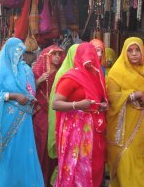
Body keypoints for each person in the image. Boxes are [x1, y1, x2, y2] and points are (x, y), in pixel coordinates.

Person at [0, 37, 44, 187]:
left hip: (24, 121)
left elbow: (31, 91)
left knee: (23, 153)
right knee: (6, 154)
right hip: (5, 120)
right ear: (8, 51)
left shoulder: (25, 70)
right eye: (16, 51)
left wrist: (30, 98)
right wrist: (13, 96)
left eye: (21, 52)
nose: (19, 55)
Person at [52, 43, 108, 187]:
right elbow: (55, 103)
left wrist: (100, 106)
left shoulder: (97, 77)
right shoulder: (71, 77)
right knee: (77, 169)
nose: (91, 59)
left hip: (95, 131)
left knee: (94, 167)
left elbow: (94, 100)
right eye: (87, 56)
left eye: (93, 55)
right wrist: (77, 105)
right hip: (75, 134)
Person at [106, 37, 144, 187]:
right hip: (123, 129)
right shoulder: (116, 73)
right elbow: (111, 97)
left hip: (143, 126)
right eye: (130, 50)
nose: (134, 54)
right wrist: (134, 94)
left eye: (137, 50)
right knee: (125, 159)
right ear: (124, 53)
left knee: (142, 159)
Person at [32, 45, 63, 187]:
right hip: (42, 114)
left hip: (56, 113)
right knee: (41, 143)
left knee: (55, 143)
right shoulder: (38, 70)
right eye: (54, 54)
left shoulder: (62, 72)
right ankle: (39, 178)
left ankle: (52, 178)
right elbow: (29, 90)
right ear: (47, 56)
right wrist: (39, 81)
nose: (57, 57)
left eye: (59, 54)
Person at [47, 44, 78, 184]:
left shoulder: (81, 72)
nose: (57, 58)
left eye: (60, 54)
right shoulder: (65, 73)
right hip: (67, 122)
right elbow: (56, 103)